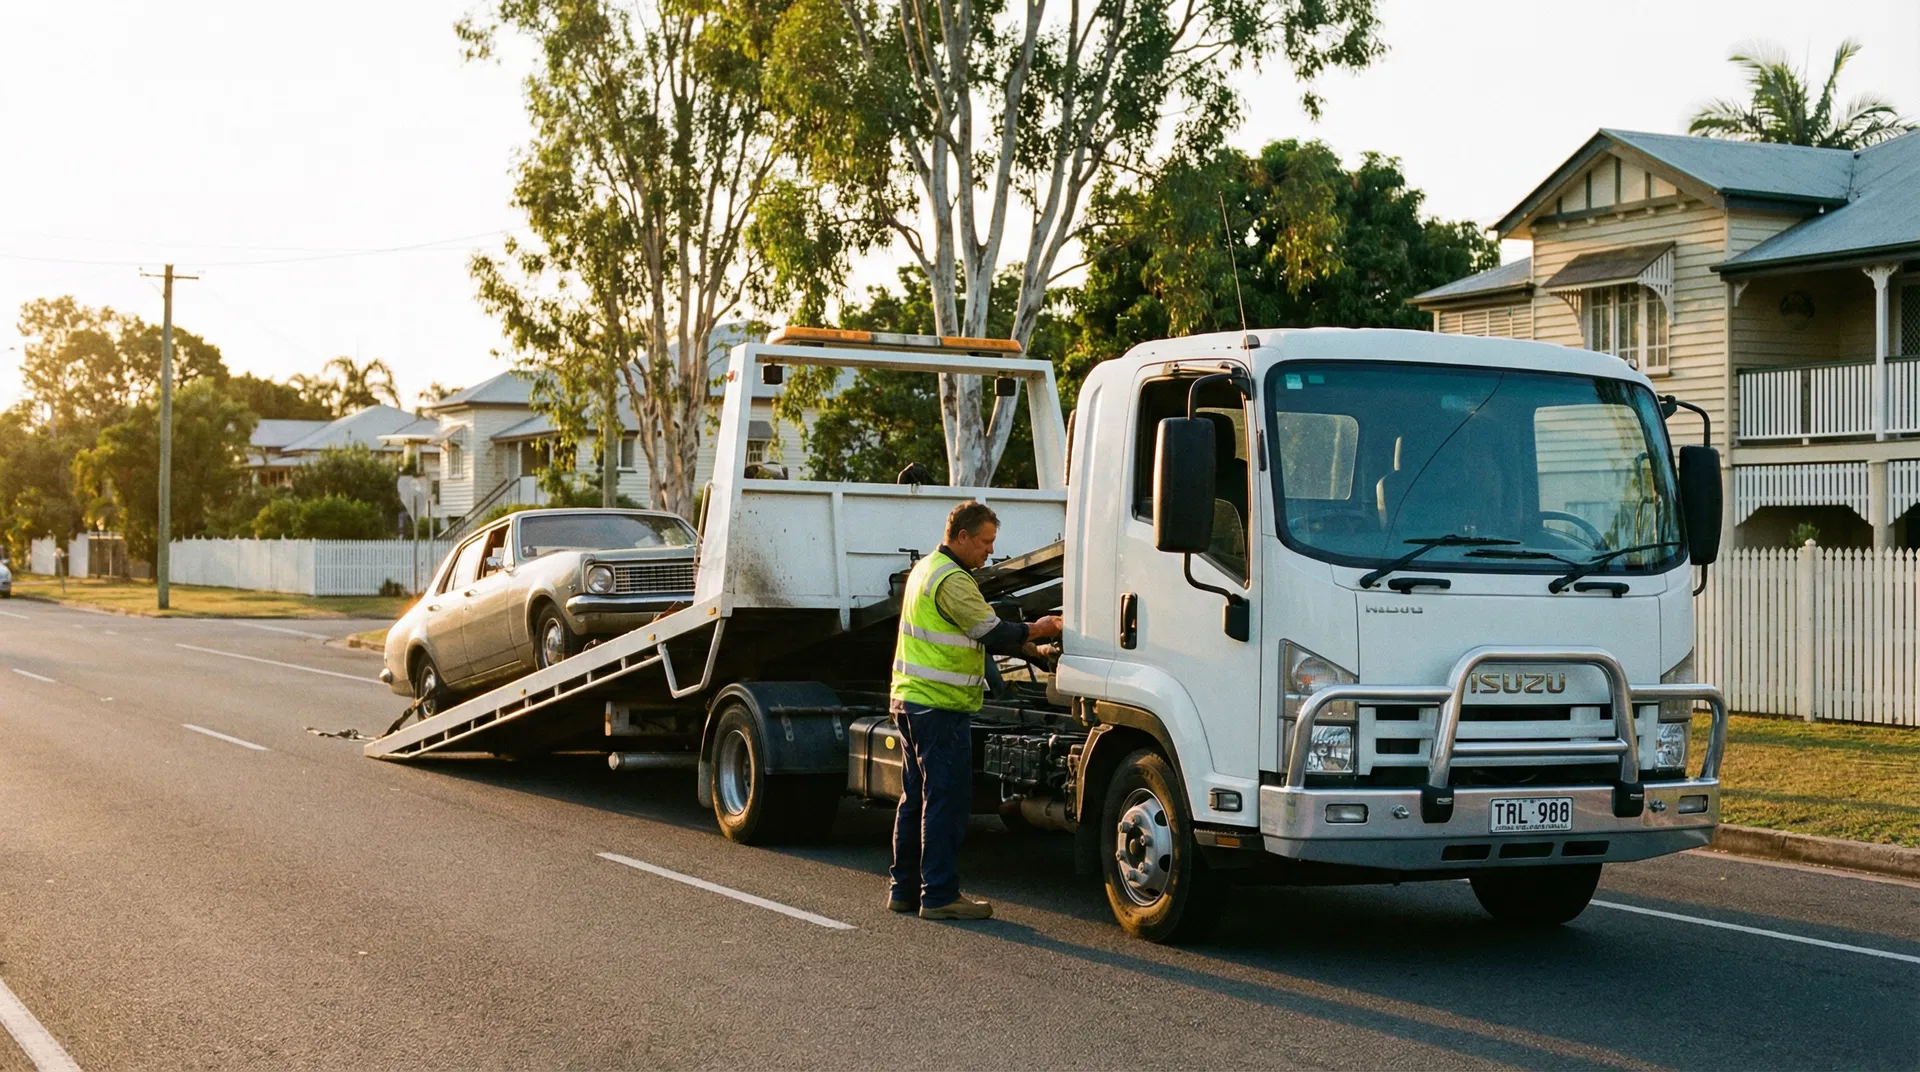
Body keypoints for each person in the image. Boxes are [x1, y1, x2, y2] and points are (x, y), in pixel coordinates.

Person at [889, 500, 1062, 921]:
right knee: (945, 803)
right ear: (962, 536)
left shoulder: (927, 569)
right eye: (985, 542)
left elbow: (977, 633)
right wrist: (1045, 627)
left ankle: (905, 891)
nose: (990, 551)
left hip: (911, 701)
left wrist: (1035, 653)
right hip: (939, 707)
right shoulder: (952, 580)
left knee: (916, 801)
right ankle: (940, 896)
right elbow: (993, 632)